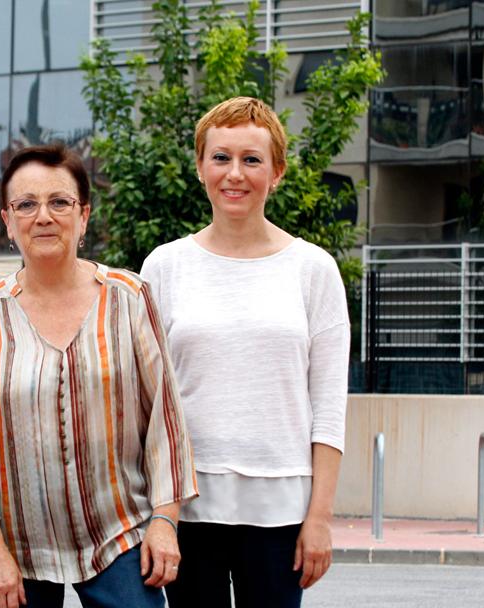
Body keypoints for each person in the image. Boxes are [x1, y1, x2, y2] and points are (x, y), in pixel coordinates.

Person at [0, 143, 198, 608]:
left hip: (119, 535)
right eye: (26, 204)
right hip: (18, 548)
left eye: (59, 202)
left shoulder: (128, 296)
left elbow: (165, 418)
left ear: (83, 216)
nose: (43, 216)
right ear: (7, 221)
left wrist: (165, 521)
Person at [140, 96, 350, 607]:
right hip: (187, 511)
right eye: (221, 157)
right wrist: (157, 516)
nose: (235, 174)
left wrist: (319, 518)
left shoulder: (313, 270)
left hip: (282, 515)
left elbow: (329, 410)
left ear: (276, 172)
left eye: (252, 159)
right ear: (200, 166)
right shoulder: (164, 267)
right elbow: (146, 405)